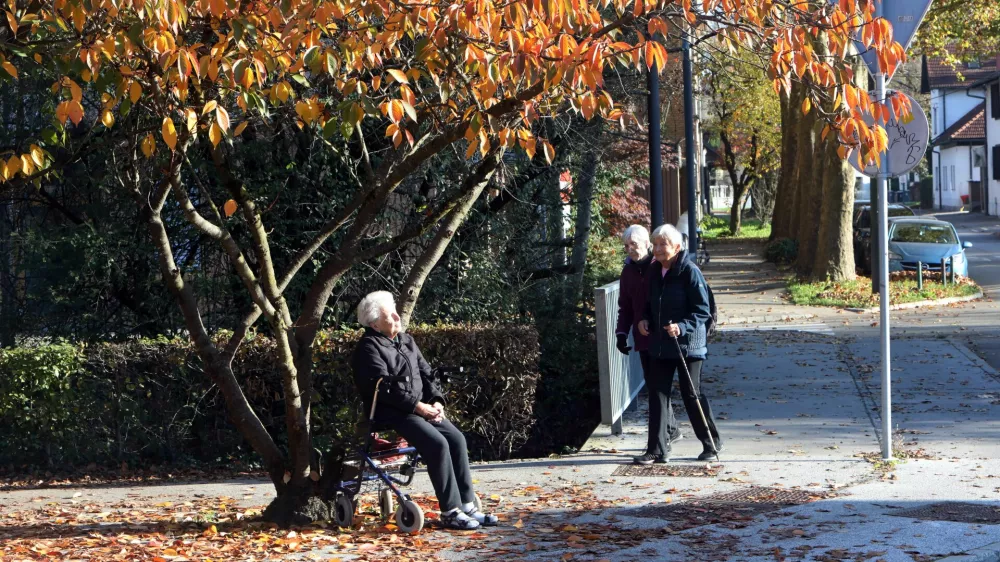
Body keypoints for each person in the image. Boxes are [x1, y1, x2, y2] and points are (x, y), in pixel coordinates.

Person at [351, 291, 498, 530]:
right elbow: (384, 387)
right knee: (437, 444)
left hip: (421, 407)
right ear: (374, 323)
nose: (397, 316)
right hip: (393, 412)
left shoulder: (406, 340)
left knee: (457, 439)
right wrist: (419, 407)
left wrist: (437, 401)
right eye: (391, 313)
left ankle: (468, 505)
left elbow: (427, 374)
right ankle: (450, 512)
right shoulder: (368, 347)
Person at [637, 224, 722, 463]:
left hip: (688, 345)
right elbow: (649, 302)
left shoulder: (689, 271)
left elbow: (702, 310)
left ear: (676, 246)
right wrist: (644, 319)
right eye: (655, 244)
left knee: (691, 394)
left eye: (662, 244)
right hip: (660, 343)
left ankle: (712, 444)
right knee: (657, 394)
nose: (657, 249)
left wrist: (682, 327)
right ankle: (656, 449)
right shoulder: (654, 271)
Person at [614, 225, 682, 462]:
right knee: (655, 388)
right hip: (643, 338)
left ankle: (661, 443)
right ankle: (670, 431)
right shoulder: (628, 272)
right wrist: (621, 333)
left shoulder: (659, 267)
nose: (630, 249)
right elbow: (625, 306)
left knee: (657, 390)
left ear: (647, 245)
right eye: (626, 245)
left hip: (662, 337)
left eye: (634, 244)